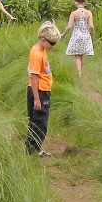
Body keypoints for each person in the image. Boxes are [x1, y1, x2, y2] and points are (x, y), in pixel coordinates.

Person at [26, 21, 61, 156]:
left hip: (41, 91)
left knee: (36, 121)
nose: (53, 46)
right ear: (43, 39)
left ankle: (33, 149)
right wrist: (37, 99)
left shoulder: (41, 50)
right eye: (52, 43)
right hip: (39, 92)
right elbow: (33, 77)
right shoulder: (37, 54)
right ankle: (34, 150)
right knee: (40, 122)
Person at [62, 0, 96, 79]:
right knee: (82, 55)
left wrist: (63, 34)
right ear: (84, 2)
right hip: (86, 35)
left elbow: (69, 26)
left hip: (76, 35)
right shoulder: (89, 13)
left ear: (75, 2)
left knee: (77, 55)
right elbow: (91, 26)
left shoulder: (74, 13)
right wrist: (93, 33)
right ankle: (81, 73)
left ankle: (79, 74)